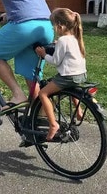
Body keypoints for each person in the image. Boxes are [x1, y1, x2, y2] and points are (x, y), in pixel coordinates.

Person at [34, 8, 87, 141]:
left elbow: (55, 61)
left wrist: (43, 54)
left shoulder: (63, 40)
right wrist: (58, 45)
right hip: (80, 75)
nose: (53, 29)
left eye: (53, 27)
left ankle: (53, 124)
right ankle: (79, 111)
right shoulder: (74, 37)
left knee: (43, 94)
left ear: (60, 26)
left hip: (67, 77)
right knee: (69, 88)